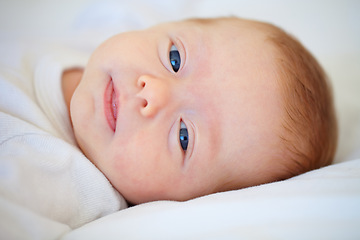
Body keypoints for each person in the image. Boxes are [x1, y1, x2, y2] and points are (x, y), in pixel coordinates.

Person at [62, 17, 338, 204]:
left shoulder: (60, 188)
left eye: (184, 136)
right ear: (169, 25)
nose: (153, 92)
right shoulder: (103, 27)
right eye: (175, 58)